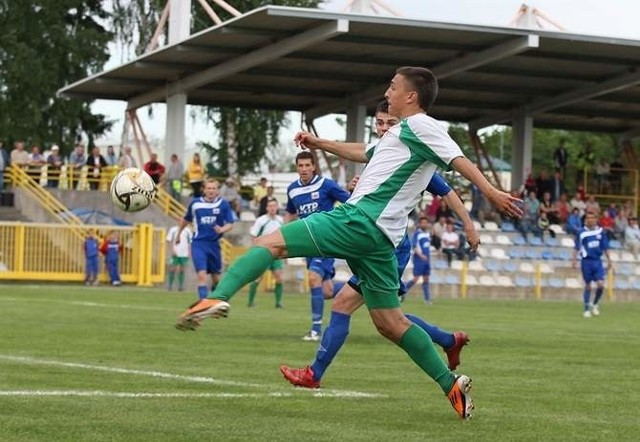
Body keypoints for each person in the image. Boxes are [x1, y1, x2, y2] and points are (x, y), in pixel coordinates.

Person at [175, 66, 522, 420]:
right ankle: (451, 385)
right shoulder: (401, 133)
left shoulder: (422, 125)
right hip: (381, 241)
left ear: (411, 96)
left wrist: (492, 192)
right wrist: (319, 142)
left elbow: (457, 159)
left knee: (270, 243)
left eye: (392, 86)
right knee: (391, 323)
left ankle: (215, 299)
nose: (387, 92)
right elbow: (363, 151)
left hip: (360, 221)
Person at [284, 150, 350, 342]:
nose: (304, 169)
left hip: (326, 242)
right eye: (300, 166)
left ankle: (315, 331)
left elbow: (349, 201)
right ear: (297, 168)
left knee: (313, 278)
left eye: (307, 165)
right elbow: (290, 213)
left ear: (314, 166)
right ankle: (363, 287)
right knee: (326, 291)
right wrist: (286, 232)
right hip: (307, 246)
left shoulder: (326, 185)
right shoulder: (292, 189)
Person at [175, 179, 235, 300]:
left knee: (216, 278)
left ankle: (217, 299)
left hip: (214, 244)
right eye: (209, 188)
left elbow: (230, 223)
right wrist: (178, 234)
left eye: (214, 188)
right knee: (201, 275)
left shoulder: (223, 204)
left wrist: (222, 230)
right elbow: (186, 219)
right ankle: (203, 304)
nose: (211, 191)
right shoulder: (195, 204)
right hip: (198, 244)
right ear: (204, 189)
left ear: (217, 190)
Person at [571, 211, 611, 318]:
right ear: (585, 220)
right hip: (586, 262)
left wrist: (609, 260)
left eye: (592, 217)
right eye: (588, 218)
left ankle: (595, 303)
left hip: (597, 261)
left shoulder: (601, 231)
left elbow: (605, 247)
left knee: (601, 285)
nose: (590, 219)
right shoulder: (581, 232)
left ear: (596, 219)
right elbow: (576, 247)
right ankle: (586, 309)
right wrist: (574, 260)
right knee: (588, 286)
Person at [247, 199, 285, 308]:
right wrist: (255, 251)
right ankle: (250, 302)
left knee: (279, 277)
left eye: (274, 206)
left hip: (277, 253)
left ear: (277, 207)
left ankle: (278, 303)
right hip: (263, 252)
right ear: (267, 208)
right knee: (258, 277)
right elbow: (254, 236)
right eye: (270, 206)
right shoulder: (261, 220)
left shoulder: (281, 220)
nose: (272, 208)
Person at [405, 217, 434, 303]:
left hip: (427, 259)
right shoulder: (417, 233)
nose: (424, 224)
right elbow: (414, 246)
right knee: (415, 279)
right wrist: (421, 255)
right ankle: (402, 292)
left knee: (426, 279)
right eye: (423, 223)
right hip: (419, 259)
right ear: (419, 224)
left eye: (426, 223)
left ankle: (427, 299)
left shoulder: (428, 234)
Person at [166, 224, 193, 291]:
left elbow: (190, 242)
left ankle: (181, 287)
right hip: (175, 253)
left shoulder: (188, 231)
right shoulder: (173, 229)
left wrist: (189, 252)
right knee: (172, 269)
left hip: (184, 253)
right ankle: (170, 286)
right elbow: (168, 241)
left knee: (182, 269)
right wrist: (172, 250)